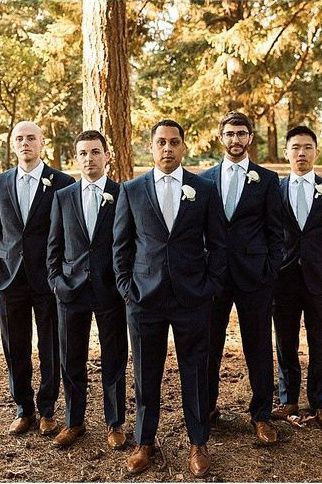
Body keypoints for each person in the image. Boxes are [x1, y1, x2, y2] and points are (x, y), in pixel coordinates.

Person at [113, 119, 226, 477]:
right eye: (161, 142)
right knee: (146, 372)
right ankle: (145, 443)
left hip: (192, 297)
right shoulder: (131, 190)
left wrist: (208, 287)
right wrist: (128, 290)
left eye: (174, 142)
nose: (167, 148)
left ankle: (198, 442)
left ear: (184, 147)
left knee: (195, 370)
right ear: (151, 146)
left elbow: (218, 245)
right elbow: (121, 246)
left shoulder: (203, 189)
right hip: (144, 299)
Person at [201, 111, 284, 444]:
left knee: (259, 346)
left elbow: (276, 232)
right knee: (209, 346)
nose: (236, 139)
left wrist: (269, 270)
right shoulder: (203, 180)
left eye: (242, 133)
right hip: (215, 278)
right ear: (221, 137)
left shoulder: (266, 180)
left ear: (250, 137)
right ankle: (206, 408)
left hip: (255, 277)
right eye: (230, 133)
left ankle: (261, 415)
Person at [47, 130, 128, 449]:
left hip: (110, 291)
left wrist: (123, 285)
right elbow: (53, 245)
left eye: (95, 152)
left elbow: (129, 243)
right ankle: (73, 422)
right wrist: (56, 281)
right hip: (71, 291)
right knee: (71, 358)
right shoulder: (63, 196)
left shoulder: (122, 193)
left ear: (107, 156)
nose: (89, 158)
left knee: (114, 359)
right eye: (83, 153)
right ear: (75, 158)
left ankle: (115, 423)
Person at [0, 121, 75, 436]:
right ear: (12, 144)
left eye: (31, 137)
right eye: (20, 138)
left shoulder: (62, 183)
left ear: (42, 142)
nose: (25, 142)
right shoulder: (0, 183)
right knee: (14, 346)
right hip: (8, 279)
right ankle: (23, 408)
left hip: (47, 279)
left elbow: (71, 234)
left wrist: (62, 274)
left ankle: (47, 409)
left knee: (50, 347)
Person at [272, 126, 322, 425]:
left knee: (320, 340)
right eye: (295, 147)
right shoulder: (274, 189)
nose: (301, 153)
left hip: (319, 278)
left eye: (307, 147)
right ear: (287, 152)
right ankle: (288, 398)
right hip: (284, 277)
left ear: (315, 151)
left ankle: (318, 399)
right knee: (285, 339)